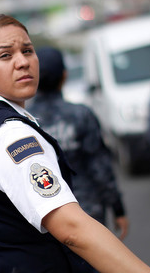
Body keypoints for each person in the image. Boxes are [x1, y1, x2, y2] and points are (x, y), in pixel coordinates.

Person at [0, 14, 150, 273]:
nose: (23, 62)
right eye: (5, 55)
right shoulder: (12, 136)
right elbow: (72, 230)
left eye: (27, 50)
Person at [28, 46, 129, 246]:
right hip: (88, 212)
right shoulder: (81, 115)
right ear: (64, 76)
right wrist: (118, 209)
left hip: (48, 219)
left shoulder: (25, 122)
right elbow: (100, 168)